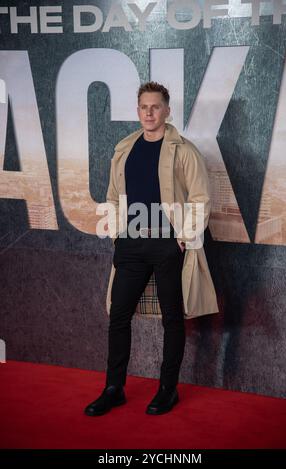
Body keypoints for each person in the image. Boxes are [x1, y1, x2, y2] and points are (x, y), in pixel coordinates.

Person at [84, 81, 217, 417]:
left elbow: (201, 198)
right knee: (118, 315)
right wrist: (117, 235)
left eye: (156, 106)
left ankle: (167, 390)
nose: (149, 112)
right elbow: (113, 197)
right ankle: (114, 388)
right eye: (144, 106)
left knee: (172, 319)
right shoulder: (124, 148)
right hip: (131, 242)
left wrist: (183, 237)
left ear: (167, 110)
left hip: (167, 244)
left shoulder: (184, 150)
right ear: (138, 110)